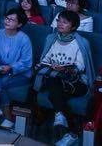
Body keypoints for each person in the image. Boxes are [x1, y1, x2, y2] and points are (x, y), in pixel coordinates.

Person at [36, 10, 95, 146]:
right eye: (58, 21)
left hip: (77, 83)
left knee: (53, 92)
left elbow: (80, 67)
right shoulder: (52, 39)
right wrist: (52, 66)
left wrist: (65, 68)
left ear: (73, 26)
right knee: (54, 83)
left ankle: (60, 115)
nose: (60, 24)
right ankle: (72, 132)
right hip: (56, 79)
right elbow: (45, 59)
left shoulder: (81, 42)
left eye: (64, 22)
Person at [0, 9, 33, 129]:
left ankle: (4, 114)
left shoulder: (24, 39)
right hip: (0, 70)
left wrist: (11, 67)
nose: (7, 21)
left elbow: (26, 62)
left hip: (19, 73)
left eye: (11, 19)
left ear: (19, 24)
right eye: (6, 18)